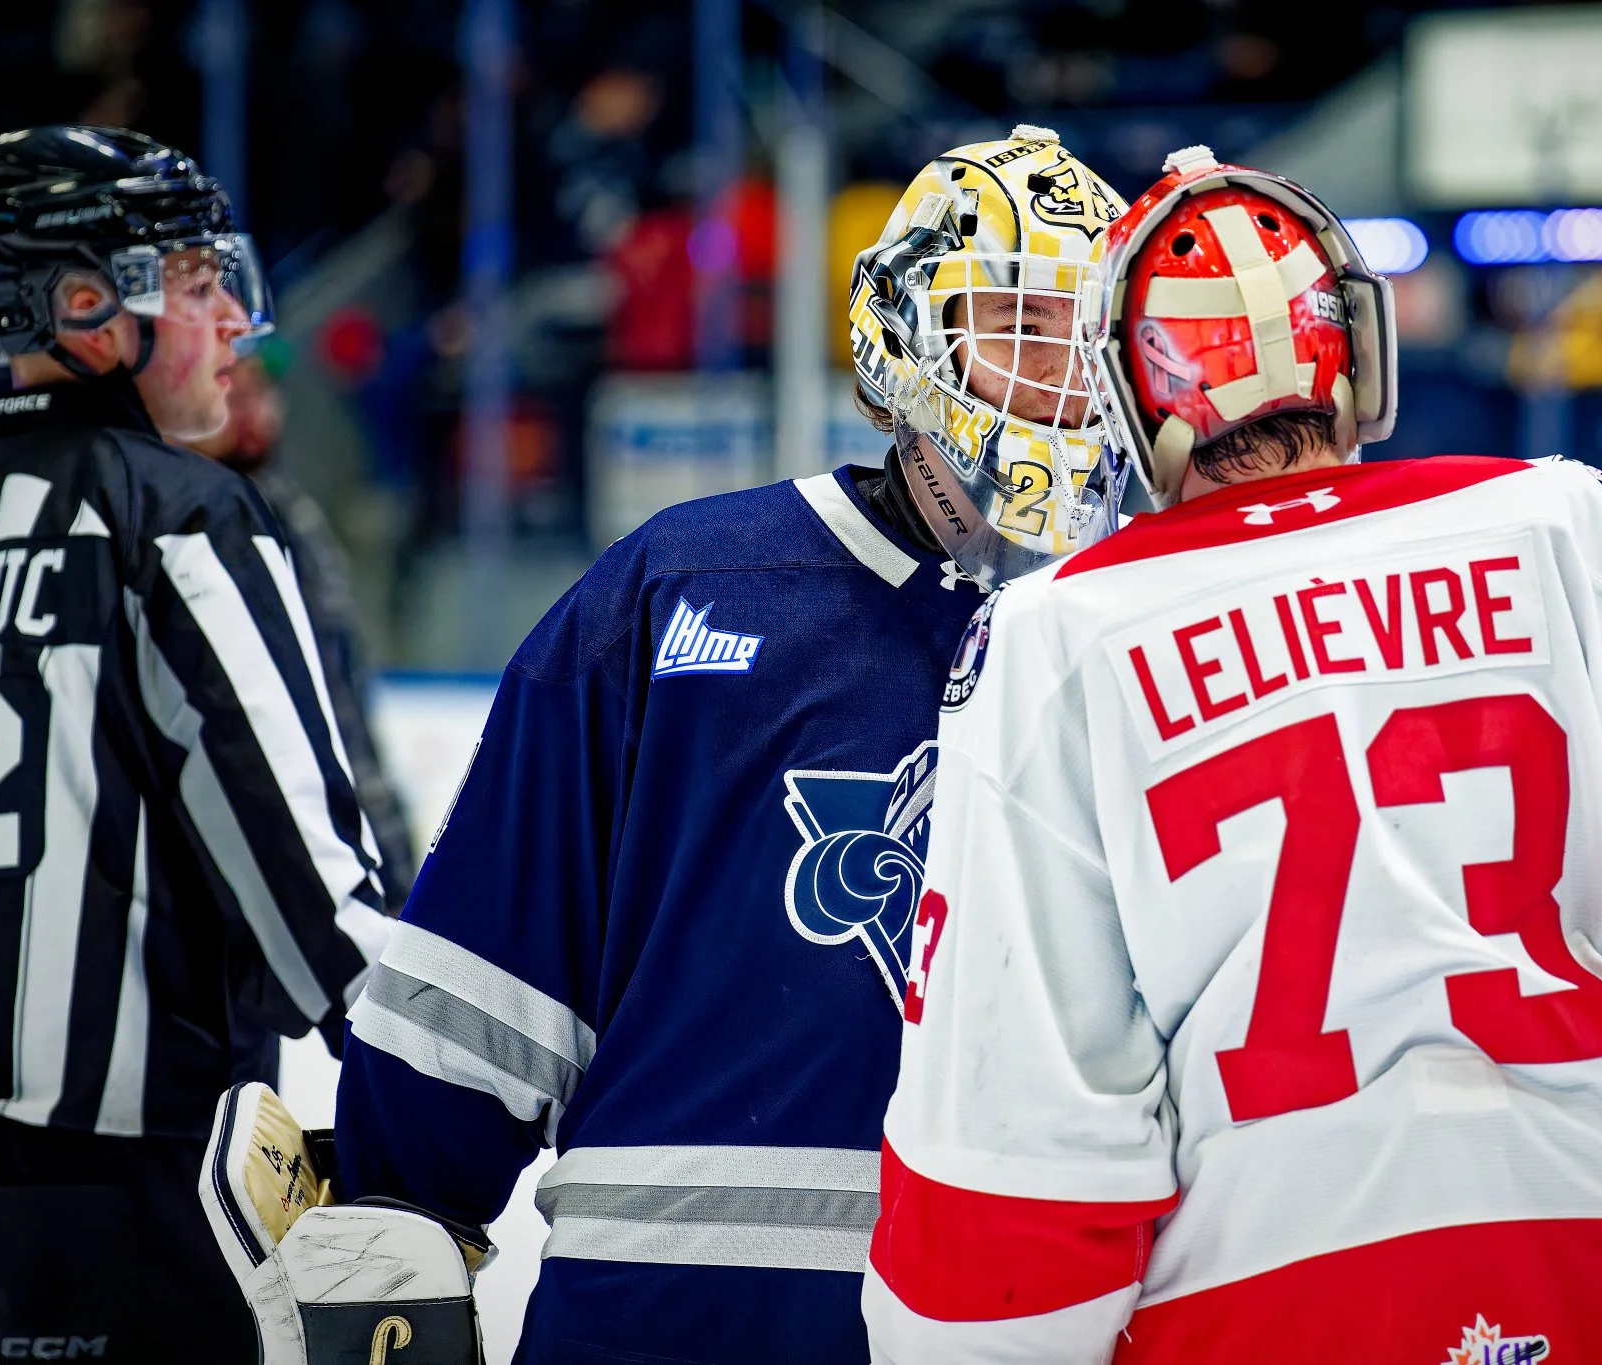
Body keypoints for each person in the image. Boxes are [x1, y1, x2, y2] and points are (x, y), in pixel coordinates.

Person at [862, 149, 1602, 1364]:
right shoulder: (1567, 522)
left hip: (1273, 1317)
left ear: (1131, 402)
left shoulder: (1052, 640)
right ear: (1353, 355)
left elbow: (1019, 1127)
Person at [201, 125, 1127, 1363]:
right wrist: (401, 1199)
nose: (1057, 385)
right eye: (1017, 331)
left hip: (1015, 1317)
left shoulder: (1151, 628)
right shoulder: (684, 588)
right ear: (906, 337)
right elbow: (492, 970)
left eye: (1085, 342)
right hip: (662, 1316)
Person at [0, 127, 389, 1363]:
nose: (233, 322)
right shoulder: (175, 510)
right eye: (196, 283)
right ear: (87, 307)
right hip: (137, 1179)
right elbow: (307, 882)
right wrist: (438, 1082)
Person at [191, 352, 419, 909]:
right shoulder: (192, 522)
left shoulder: (286, 507)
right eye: (234, 396)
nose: (256, 414)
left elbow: (341, 693)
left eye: (262, 394)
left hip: (337, 812)